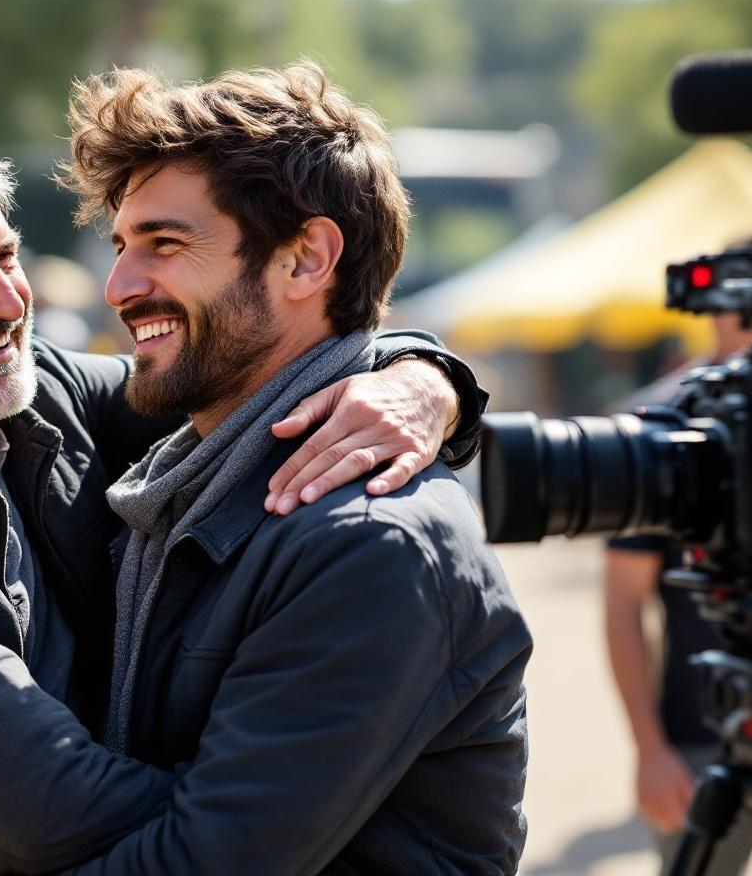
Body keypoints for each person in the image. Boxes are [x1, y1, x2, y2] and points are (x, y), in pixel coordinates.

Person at [0, 95, 487, 875]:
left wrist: (420, 378)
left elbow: (245, 380)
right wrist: (266, 833)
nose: (7, 301)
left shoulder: (41, 401)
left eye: (5, 256)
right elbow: (55, 815)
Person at [49, 62, 532, 874]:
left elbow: (208, 863)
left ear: (306, 260)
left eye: (165, 244)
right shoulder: (188, 479)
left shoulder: (372, 542)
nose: (120, 286)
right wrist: (432, 374)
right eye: (122, 247)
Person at [603, 246, 752, 874]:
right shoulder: (661, 423)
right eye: (739, 301)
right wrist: (649, 749)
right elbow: (624, 604)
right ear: (710, 307)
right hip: (700, 740)